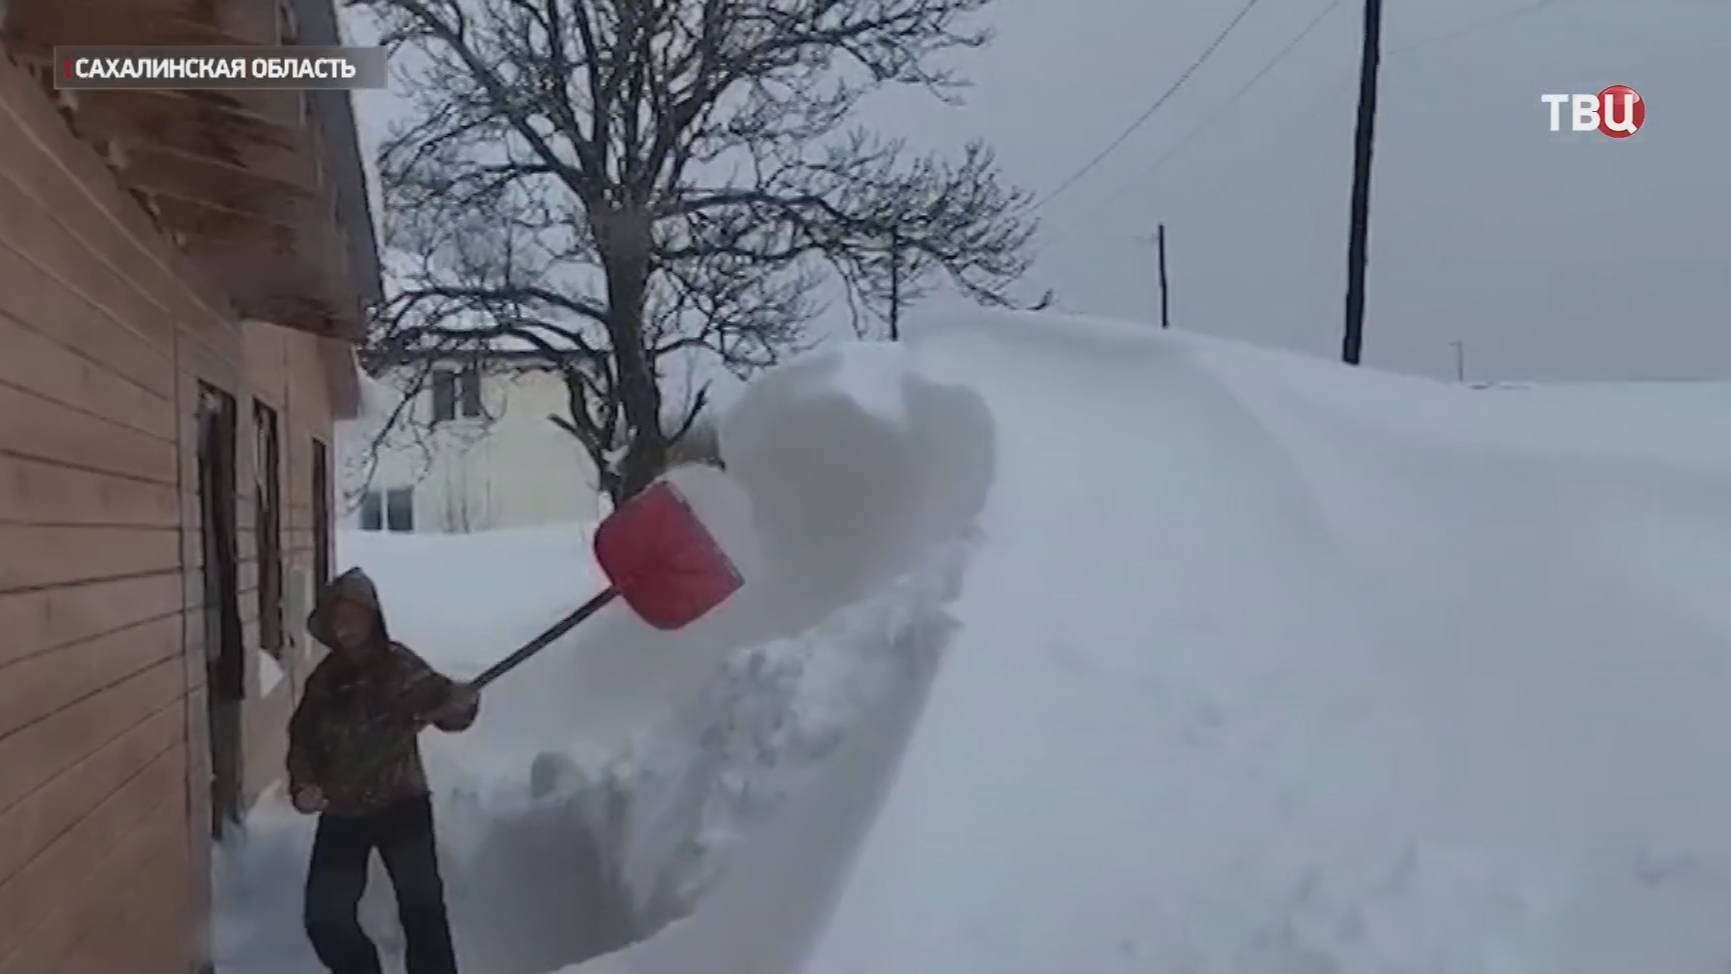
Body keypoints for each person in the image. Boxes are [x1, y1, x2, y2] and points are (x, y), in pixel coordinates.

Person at [287, 567, 481, 974]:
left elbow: (446, 707)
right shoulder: (324, 682)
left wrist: (461, 702)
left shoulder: (399, 666)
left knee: (422, 912)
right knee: (325, 918)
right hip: (343, 811)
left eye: (354, 615)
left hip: (401, 805)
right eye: (337, 617)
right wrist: (304, 784)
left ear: (373, 617)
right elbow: (301, 741)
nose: (345, 626)